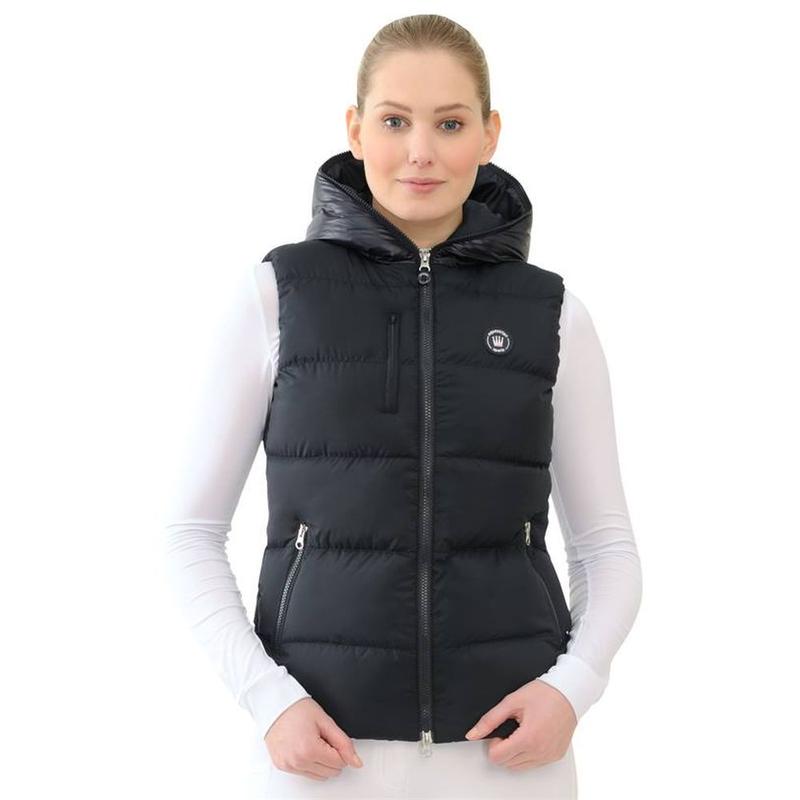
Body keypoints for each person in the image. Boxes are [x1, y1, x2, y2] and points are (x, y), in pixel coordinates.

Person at [162, 13, 642, 800]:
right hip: (318, 757)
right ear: (355, 130)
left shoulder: (552, 313)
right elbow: (189, 531)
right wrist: (269, 699)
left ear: (489, 135)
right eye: (394, 121)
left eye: (449, 124)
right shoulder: (278, 295)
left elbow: (605, 545)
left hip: (509, 758)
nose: (421, 151)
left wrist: (573, 688)